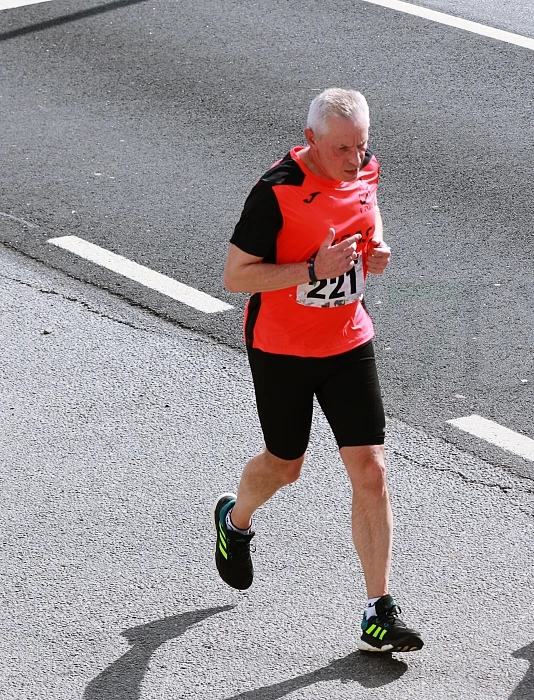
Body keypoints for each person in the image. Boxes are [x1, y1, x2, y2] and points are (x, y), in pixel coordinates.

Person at [216, 87, 422, 653]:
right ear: (310, 140)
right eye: (342, 150)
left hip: (347, 340)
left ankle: (377, 609)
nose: (355, 159)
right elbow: (236, 276)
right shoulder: (275, 192)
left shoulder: (365, 166)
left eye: (362, 146)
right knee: (286, 467)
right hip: (281, 347)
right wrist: (311, 268)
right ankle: (235, 520)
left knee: (371, 470)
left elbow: (367, 208)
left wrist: (376, 246)